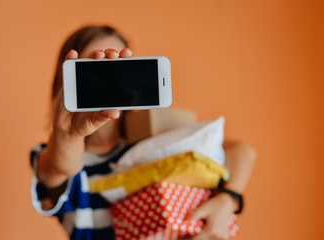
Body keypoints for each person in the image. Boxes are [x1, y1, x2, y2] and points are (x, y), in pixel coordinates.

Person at [30, 25, 256, 240]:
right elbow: (60, 168)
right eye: (95, 68)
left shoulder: (154, 135)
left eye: (118, 67)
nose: (109, 78)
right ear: (67, 78)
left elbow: (241, 150)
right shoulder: (51, 153)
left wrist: (229, 199)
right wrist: (68, 134)